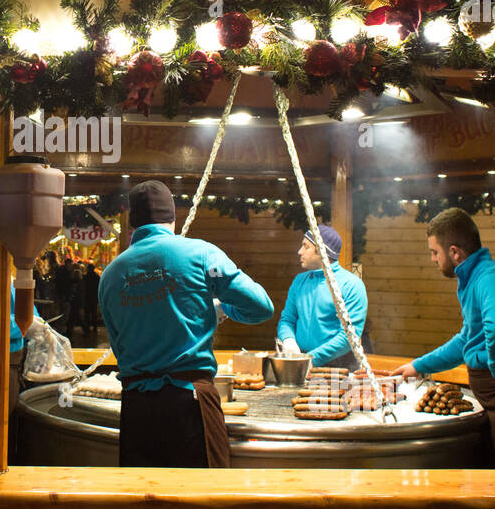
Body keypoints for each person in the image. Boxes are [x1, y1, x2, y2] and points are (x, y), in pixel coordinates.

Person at [99, 180, 274, 468]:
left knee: (144, 503)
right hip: (189, 402)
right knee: (203, 501)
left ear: (133, 223)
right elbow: (260, 306)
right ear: (173, 217)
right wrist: (220, 308)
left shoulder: (110, 275)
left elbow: (118, 343)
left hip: (136, 408)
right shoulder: (201, 254)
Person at [392, 207, 495, 469]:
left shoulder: (490, 276)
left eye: (434, 252)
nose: (432, 259)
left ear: (454, 252)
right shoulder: (473, 278)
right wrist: (418, 366)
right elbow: (467, 340)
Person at [275, 225, 367, 370]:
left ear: (321, 250)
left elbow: (348, 338)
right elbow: (287, 319)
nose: (299, 252)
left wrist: (309, 360)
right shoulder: (300, 281)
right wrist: (288, 340)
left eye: (306, 247)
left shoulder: (351, 285)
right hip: (300, 362)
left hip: (339, 367)